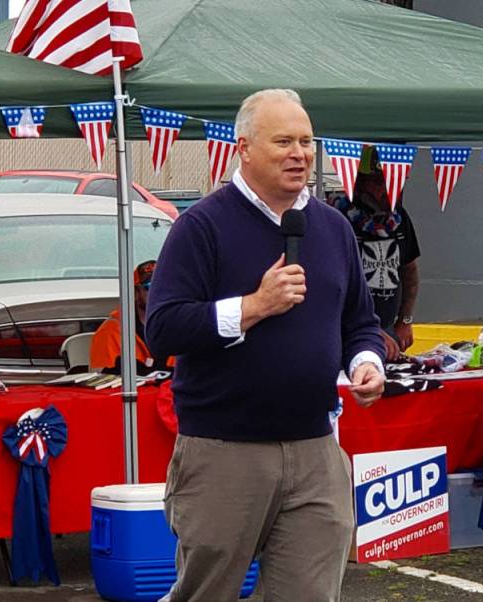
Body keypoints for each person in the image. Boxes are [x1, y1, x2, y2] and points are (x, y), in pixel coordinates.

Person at [145, 89, 386, 601]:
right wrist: (253, 306)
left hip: (316, 449)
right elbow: (162, 329)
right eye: (284, 141)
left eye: (306, 141)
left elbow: (360, 322)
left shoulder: (333, 227)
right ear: (245, 148)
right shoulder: (201, 226)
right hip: (225, 452)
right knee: (206, 593)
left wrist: (367, 361)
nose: (299, 153)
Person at [329, 146, 421, 361]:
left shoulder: (399, 219)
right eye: (380, 183)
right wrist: (367, 330)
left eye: (394, 182)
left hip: (388, 330)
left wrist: (405, 320)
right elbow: (331, 288)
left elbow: (410, 270)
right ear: (360, 182)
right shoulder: (338, 219)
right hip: (346, 334)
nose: (388, 190)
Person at [89, 259, 171, 372]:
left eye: (165, 286)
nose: (159, 292)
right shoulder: (111, 332)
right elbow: (104, 382)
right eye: (150, 286)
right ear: (135, 293)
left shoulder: (183, 328)